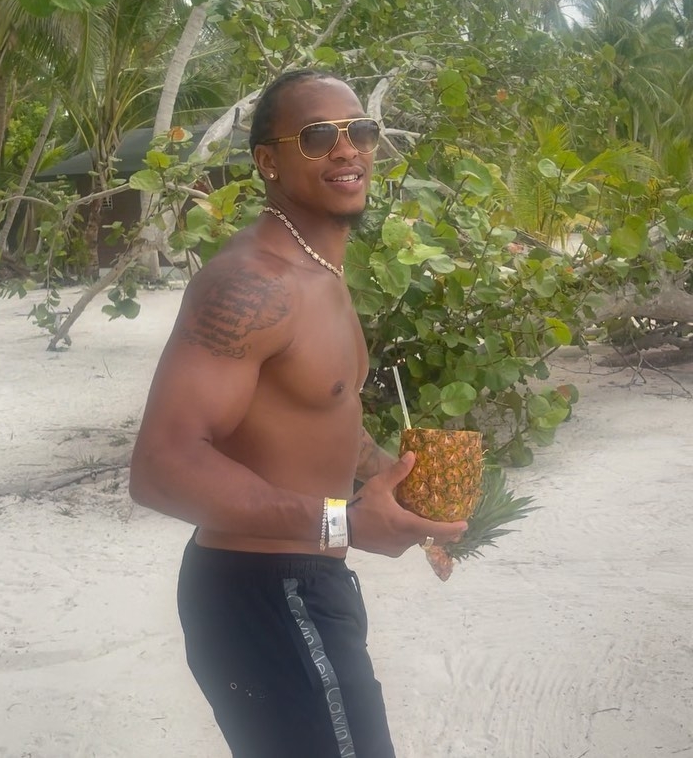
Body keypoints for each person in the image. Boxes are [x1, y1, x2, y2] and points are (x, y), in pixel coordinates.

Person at [129, 69, 468, 758]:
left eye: (360, 131)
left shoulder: (320, 272)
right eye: (317, 137)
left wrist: (406, 484)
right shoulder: (253, 283)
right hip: (267, 592)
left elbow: (320, 413)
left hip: (305, 586)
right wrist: (345, 522)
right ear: (268, 161)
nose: (347, 150)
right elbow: (161, 467)